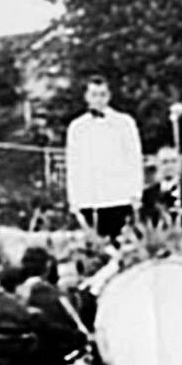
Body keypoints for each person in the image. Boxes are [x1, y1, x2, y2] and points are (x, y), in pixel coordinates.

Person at [64, 78, 143, 242]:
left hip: (118, 196)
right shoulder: (77, 127)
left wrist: (136, 193)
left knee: (120, 242)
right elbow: (73, 165)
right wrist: (74, 199)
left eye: (102, 94)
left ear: (109, 97)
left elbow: (134, 159)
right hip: (89, 198)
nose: (98, 99)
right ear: (87, 97)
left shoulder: (124, 123)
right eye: (94, 95)